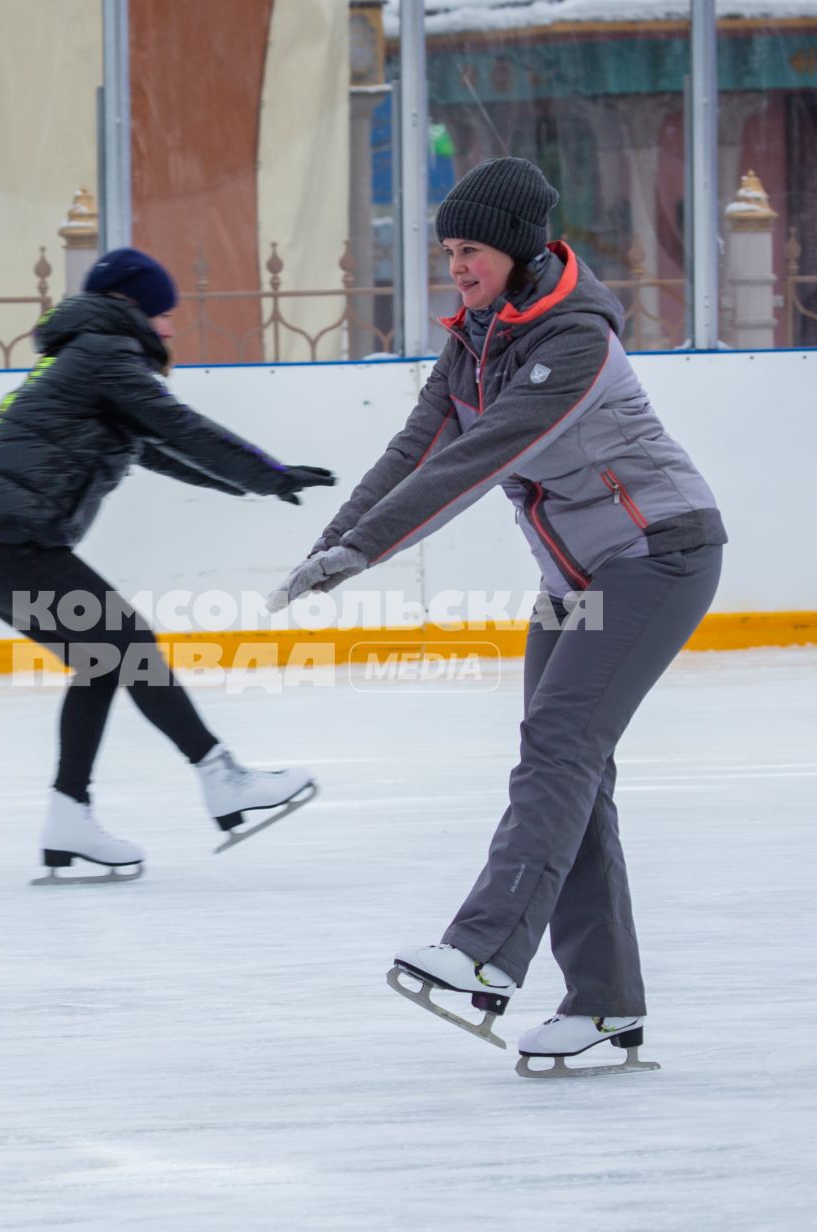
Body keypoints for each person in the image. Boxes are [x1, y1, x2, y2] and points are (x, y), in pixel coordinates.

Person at [269, 157, 728, 1067]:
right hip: (576, 582)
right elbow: (416, 448)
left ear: (518, 248)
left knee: (559, 745)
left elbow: (477, 458)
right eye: (448, 252)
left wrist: (368, 551)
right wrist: (335, 543)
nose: (457, 267)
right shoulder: (476, 338)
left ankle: (484, 954)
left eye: (469, 249)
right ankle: (604, 1006)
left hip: (660, 555)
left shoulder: (576, 342)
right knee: (574, 773)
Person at [0, 248, 336, 885]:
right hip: (3, 540)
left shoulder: (84, 359)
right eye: (162, 313)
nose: (170, 328)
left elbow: (162, 449)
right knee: (130, 643)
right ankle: (220, 777)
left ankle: (69, 816)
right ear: (130, 306)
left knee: (103, 658)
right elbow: (181, 425)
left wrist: (259, 484)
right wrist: (268, 473)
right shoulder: (101, 354)